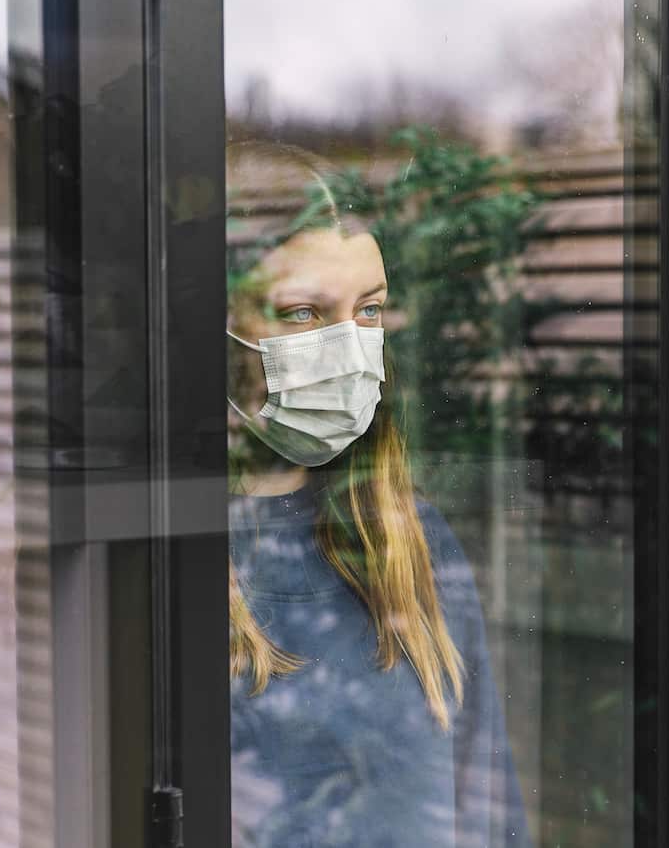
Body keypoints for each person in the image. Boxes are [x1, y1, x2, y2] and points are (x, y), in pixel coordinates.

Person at [225, 142, 529, 848]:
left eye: (370, 309)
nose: (347, 345)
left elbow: (489, 809)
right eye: (303, 313)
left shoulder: (408, 537)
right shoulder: (157, 556)